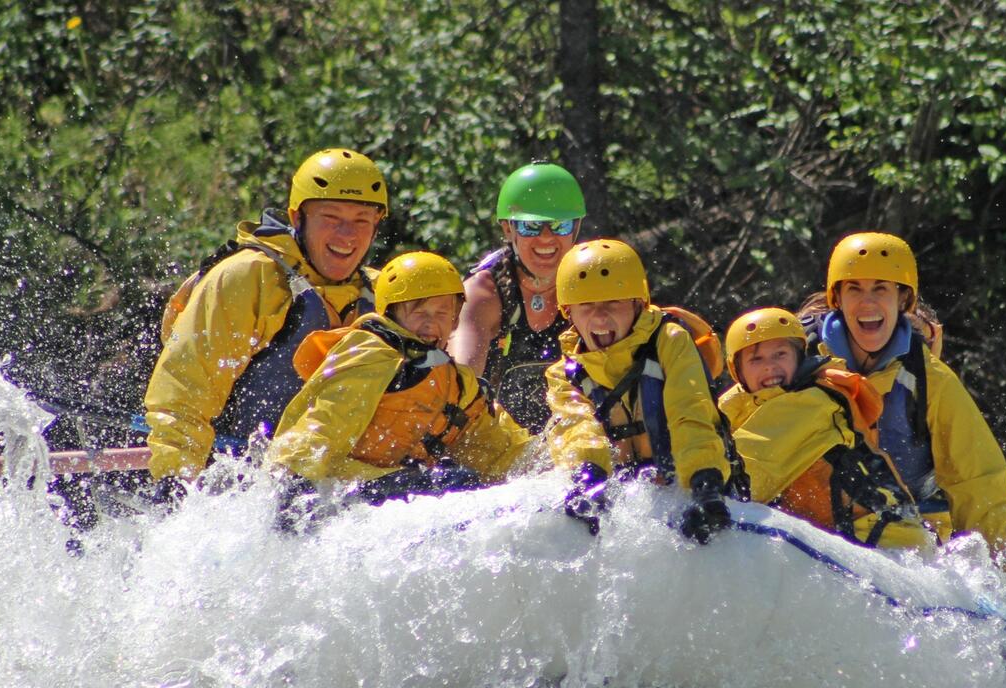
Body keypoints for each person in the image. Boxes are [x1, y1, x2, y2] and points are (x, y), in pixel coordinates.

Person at [143, 147, 388, 480]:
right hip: (242, 479)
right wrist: (177, 484)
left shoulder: (383, 295)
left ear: (376, 226)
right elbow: (183, 395)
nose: (347, 235)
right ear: (297, 218)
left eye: (361, 220)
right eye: (331, 217)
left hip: (338, 486)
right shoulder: (249, 278)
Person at [803, 232, 1006, 566]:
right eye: (855, 289)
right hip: (812, 532)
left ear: (903, 300)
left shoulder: (932, 381)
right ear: (837, 299)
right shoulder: (796, 363)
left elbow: (977, 482)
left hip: (904, 537)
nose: (867, 303)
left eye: (881, 289)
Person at [265, 251, 530, 504]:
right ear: (392, 313)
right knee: (457, 482)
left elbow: (494, 446)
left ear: (454, 320)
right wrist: (292, 478)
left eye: (441, 313)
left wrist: (540, 467)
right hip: (341, 488)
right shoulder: (371, 354)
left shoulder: (458, 382)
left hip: (390, 486)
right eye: (419, 312)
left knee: (470, 485)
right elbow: (325, 420)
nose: (430, 324)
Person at [543, 239, 734, 543]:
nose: (601, 317)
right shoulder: (565, 372)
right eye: (587, 306)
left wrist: (706, 485)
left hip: (688, 483)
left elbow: (691, 411)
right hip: (625, 494)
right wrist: (588, 476)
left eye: (613, 303)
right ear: (569, 313)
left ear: (638, 303)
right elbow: (577, 427)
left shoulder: (669, 341)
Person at [718, 308, 933, 550]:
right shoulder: (749, 404)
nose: (770, 367)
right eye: (756, 359)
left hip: (884, 540)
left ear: (799, 358)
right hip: (848, 539)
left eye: (780, 354)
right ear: (737, 371)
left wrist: (695, 485)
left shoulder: (811, 403)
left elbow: (750, 472)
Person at [449, 163, 584, 433]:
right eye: (531, 226)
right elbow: (463, 389)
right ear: (508, 230)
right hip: (498, 442)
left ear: (576, 229)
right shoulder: (483, 294)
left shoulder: (589, 284)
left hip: (575, 437)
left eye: (559, 225)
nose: (546, 237)